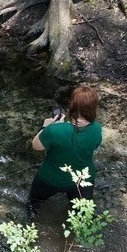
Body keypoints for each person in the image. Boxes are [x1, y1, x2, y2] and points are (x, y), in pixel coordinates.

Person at [27, 86, 103, 218]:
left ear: (72, 106)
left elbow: (36, 146)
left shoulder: (54, 131)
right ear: (93, 109)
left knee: (33, 204)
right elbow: (93, 145)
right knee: (83, 215)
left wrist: (46, 127)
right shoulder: (97, 129)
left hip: (50, 179)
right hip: (82, 180)